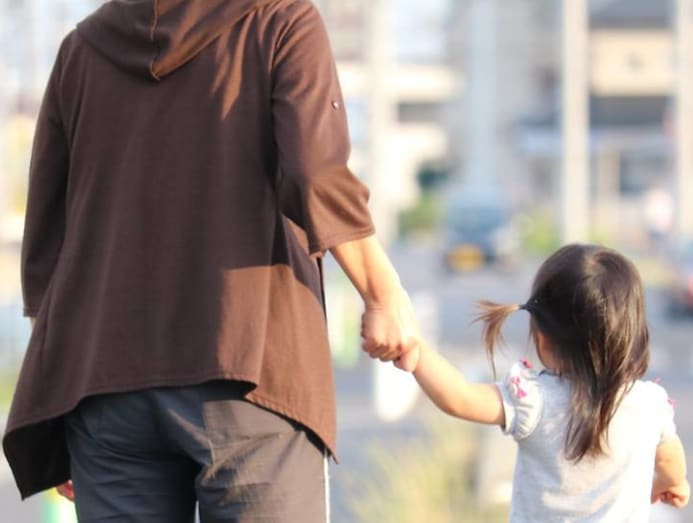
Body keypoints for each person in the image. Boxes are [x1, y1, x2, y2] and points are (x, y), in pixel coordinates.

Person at [3, 0, 418, 521]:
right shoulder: (280, 21)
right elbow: (314, 173)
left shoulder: (81, 51)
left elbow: (48, 239)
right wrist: (382, 293)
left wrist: (56, 395)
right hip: (250, 372)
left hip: (104, 389)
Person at [399, 244, 690, 521]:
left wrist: (415, 349)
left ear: (542, 338)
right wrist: (673, 483)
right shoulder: (649, 405)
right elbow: (669, 459)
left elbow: (459, 398)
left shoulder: (535, 401)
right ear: (632, 334)